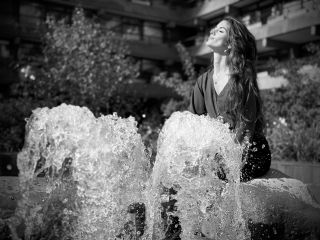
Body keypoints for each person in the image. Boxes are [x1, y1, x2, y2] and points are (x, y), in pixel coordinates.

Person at [189, 16, 271, 182]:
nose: (212, 31)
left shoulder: (242, 78)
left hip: (250, 152)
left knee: (214, 176)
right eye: (214, 28)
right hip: (220, 153)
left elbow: (245, 129)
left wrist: (224, 163)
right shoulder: (203, 81)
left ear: (230, 44)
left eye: (220, 30)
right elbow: (193, 123)